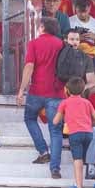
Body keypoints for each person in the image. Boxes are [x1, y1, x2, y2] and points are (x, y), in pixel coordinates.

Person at [18, 17, 65, 178]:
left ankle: (43, 150)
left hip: (37, 91)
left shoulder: (34, 43)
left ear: (43, 27)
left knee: (30, 118)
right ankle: (55, 168)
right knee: (56, 130)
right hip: (58, 93)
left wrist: (21, 90)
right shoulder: (61, 44)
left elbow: (29, 66)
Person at [54, 77, 95, 188]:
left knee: (77, 161)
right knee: (83, 160)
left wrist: (65, 115)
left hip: (75, 134)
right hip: (88, 134)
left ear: (67, 90)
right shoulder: (87, 102)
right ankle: (78, 182)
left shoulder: (65, 102)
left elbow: (55, 121)